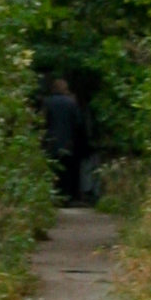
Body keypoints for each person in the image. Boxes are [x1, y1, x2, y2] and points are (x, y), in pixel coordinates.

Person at [39, 73, 91, 204]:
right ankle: (67, 197)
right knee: (68, 170)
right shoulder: (71, 103)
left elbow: (42, 122)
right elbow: (79, 122)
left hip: (51, 142)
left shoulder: (47, 102)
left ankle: (53, 197)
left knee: (53, 170)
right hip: (68, 142)